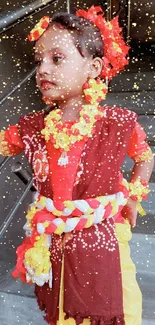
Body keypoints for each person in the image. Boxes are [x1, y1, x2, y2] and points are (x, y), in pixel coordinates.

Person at [0, 6, 154, 325]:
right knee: (61, 305)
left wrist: (133, 198)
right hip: (55, 237)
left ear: (93, 67)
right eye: (38, 60)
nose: (43, 68)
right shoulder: (32, 126)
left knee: (108, 306)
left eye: (56, 59)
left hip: (101, 236)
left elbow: (144, 157)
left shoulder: (116, 122)